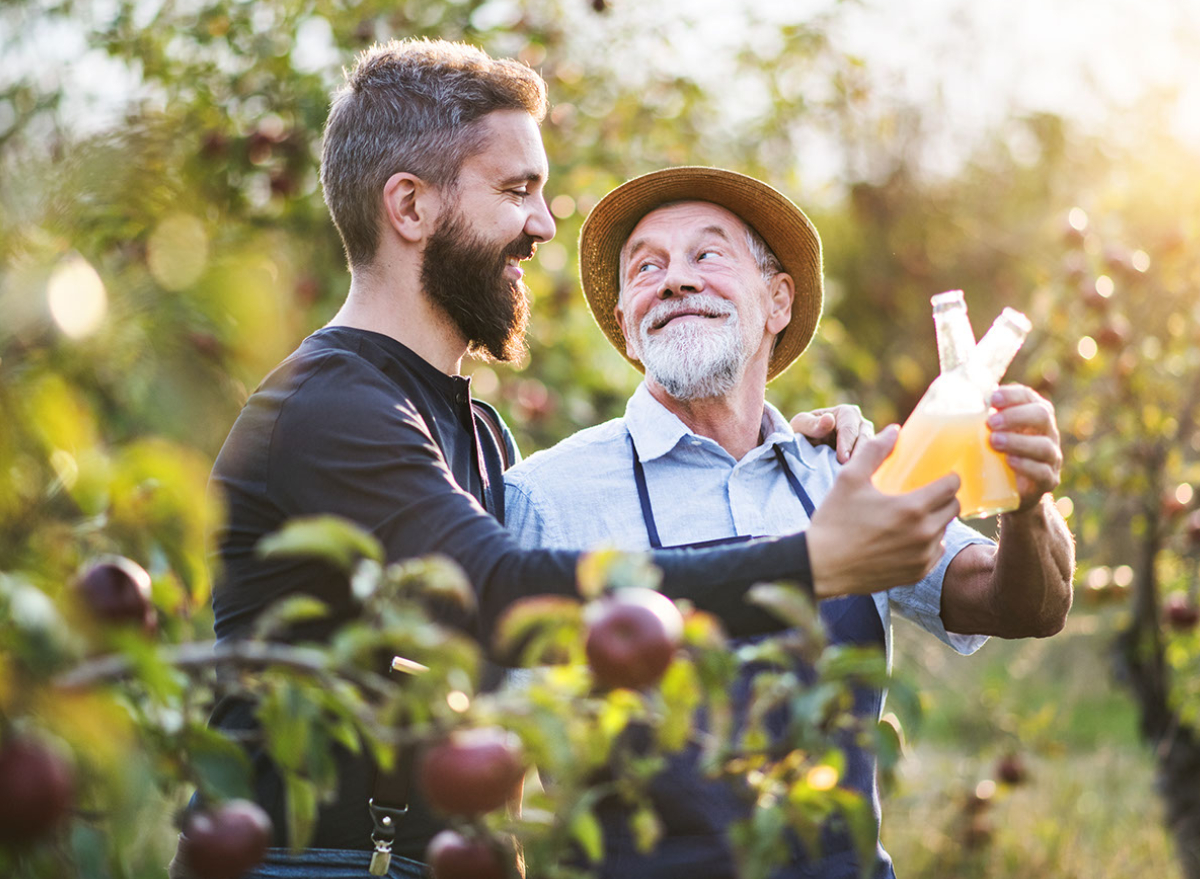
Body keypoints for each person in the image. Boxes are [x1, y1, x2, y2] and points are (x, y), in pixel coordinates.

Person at [174, 41, 971, 879]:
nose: (545, 224)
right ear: (409, 206)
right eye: (517, 190)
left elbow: (511, 688)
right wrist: (813, 561)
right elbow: (497, 590)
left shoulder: (476, 434)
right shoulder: (330, 404)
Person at [503, 166, 1075, 878]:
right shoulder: (546, 496)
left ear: (778, 300)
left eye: (706, 254)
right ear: (628, 326)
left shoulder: (844, 469)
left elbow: (1023, 605)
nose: (675, 279)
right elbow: (499, 765)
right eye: (646, 266)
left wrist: (1027, 502)